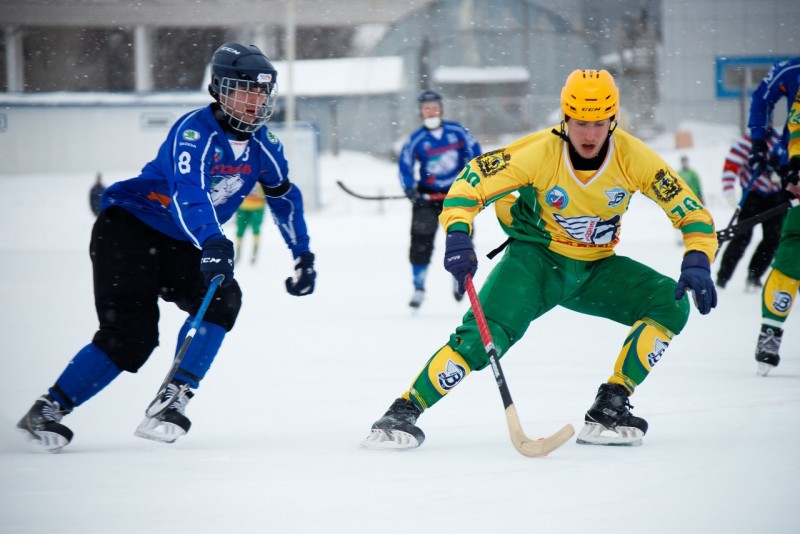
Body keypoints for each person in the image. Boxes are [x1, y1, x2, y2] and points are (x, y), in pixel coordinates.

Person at [362, 69, 717, 450]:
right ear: (566, 117)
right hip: (535, 264)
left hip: (595, 269)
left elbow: (690, 210)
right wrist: (458, 232)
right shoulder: (540, 151)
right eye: (580, 122)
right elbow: (472, 180)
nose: (589, 135)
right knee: (484, 338)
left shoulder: (633, 157)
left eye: (599, 123)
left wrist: (697, 256)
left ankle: (610, 405)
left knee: (670, 303)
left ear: (613, 119)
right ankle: (402, 412)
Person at [16, 43, 317, 452]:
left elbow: (284, 197)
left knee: (222, 299)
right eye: (245, 90)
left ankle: (172, 398)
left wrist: (302, 254)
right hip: (129, 228)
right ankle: (49, 408)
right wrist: (213, 241)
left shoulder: (265, 147)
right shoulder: (193, 132)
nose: (255, 101)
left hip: (181, 240)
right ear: (219, 90)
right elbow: (187, 194)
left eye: (262, 92)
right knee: (131, 336)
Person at [398, 89, 482, 309]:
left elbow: (475, 154)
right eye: (427, 108)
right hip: (427, 197)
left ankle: (460, 279)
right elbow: (405, 165)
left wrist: (474, 182)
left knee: (461, 239)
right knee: (420, 241)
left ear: (441, 109)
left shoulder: (457, 132)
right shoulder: (416, 139)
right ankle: (418, 287)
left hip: (456, 196)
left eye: (435, 107)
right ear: (420, 112)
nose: (431, 111)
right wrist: (410, 189)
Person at [748, 57, 800, 376]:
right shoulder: (790, 70)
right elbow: (795, 122)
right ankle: (771, 331)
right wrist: (759, 142)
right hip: (794, 173)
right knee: (790, 252)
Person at [716, 129, 786, 290]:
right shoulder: (747, 142)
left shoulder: (780, 141)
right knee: (742, 236)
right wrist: (729, 190)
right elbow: (730, 166)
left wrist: (783, 173)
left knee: (773, 238)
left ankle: (754, 275)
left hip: (775, 197)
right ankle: (722, 278)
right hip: (752, 195)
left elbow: (790, 160)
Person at [235, 182, 267, 264]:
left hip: (257, 207)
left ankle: (254, 253)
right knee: (240, 231)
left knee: (256, 230)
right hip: (243, 207)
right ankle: (238, 253)